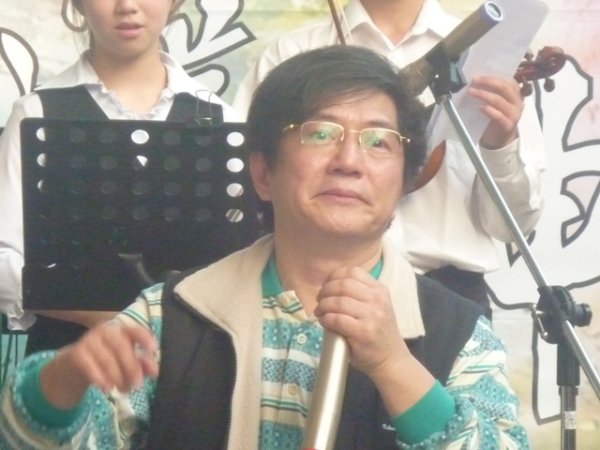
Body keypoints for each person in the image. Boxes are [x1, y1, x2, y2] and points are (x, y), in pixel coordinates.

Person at [0, 45, 529, 449]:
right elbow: (41, 440)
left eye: (377, 141)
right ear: (261, 173)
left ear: (404, 182)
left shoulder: (459, 332)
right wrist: (62, 380)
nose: (349, 160)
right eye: (320, 133)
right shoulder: (170, 315)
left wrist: (393, 364)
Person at [233, 0, 546, 318]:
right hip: (310, 292)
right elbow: (246, 187)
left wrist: (500, 142)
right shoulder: (292, 53)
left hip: (447, 303)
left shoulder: (485, 53)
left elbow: (511, 227)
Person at [0, 0, 240, 354]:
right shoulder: (36, 112)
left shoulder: (222, 118)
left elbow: (242, 257)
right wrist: (97, 317)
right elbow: (4, 251)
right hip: (69, 357)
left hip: (188, 358)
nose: (127, 6)